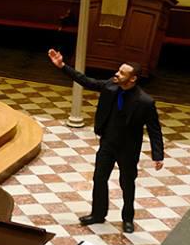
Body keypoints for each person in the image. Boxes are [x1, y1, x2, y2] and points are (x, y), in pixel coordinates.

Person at [47, 49, 164, 233]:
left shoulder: (145, 102)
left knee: (127, 183)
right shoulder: (110, 86)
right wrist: (62, 66)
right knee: (99, 178)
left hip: (128, 148)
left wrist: (158, 155)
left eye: (122, 73)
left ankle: (127, 219)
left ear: (132, 79)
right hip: (108, 143)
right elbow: (86, 81)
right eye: (118, 71)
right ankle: (98, 214)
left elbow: (154, 129)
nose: (117, 74)